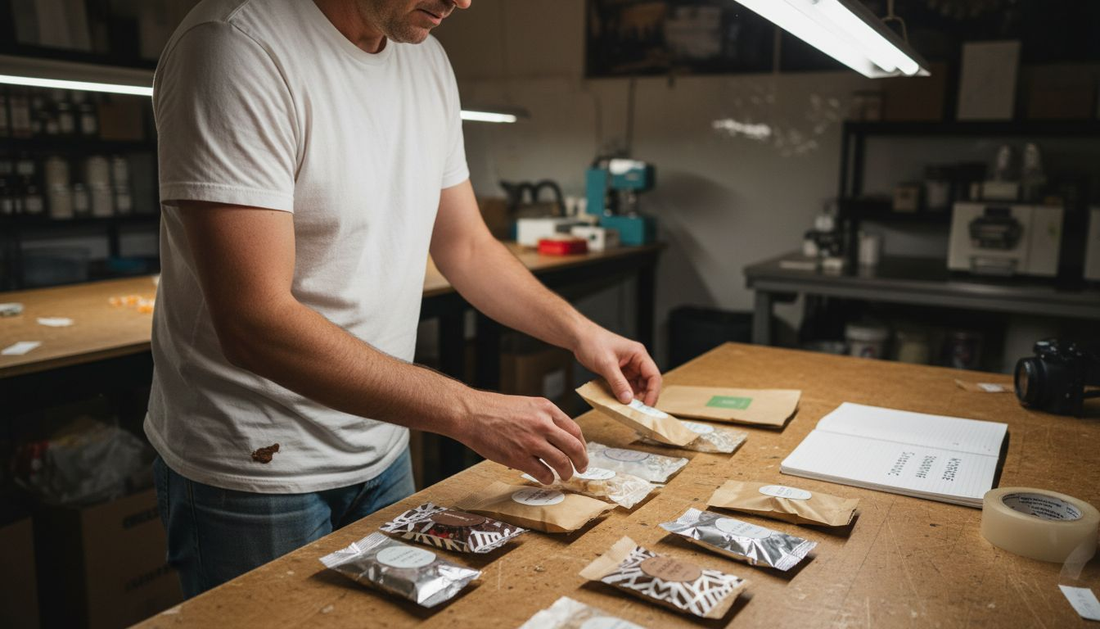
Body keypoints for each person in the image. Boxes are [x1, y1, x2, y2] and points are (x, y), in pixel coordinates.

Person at [146, 0, 662, 598]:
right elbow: (255, 321)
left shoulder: (427, 61)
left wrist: (580, 333)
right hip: (257, 468)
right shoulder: (236, 47)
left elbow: (466, 246)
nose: (462, 1)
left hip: (384, 442)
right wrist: (468, 411)